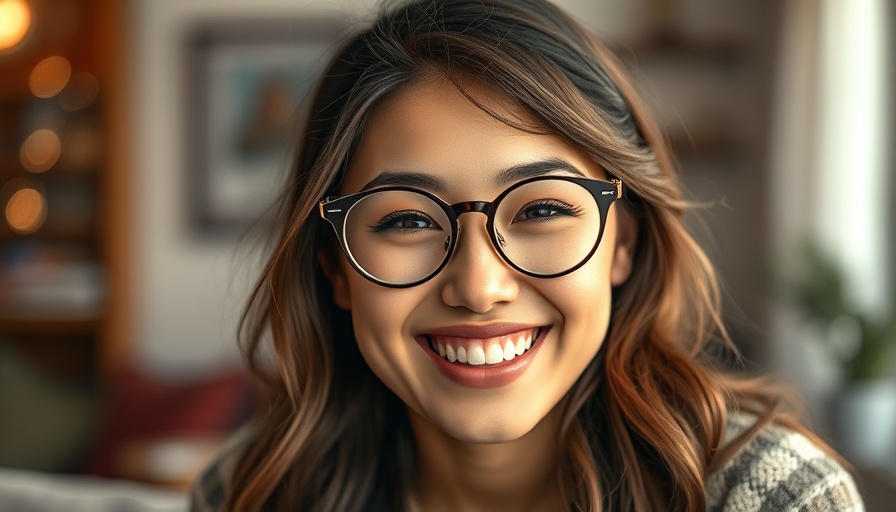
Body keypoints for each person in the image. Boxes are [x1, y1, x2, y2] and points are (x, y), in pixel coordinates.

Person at [190, 0, 864, 510]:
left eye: (542, 209)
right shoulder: (246, 494)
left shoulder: (775, 498)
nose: (479, 286)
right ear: (335, 268)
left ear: (622, 243)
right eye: (405, 220)